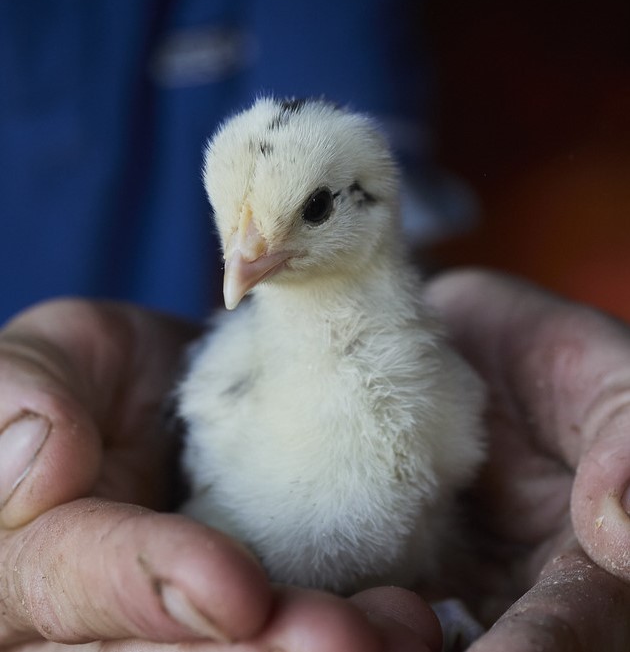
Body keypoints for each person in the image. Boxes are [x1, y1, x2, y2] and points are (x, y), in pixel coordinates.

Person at [2, 269, 630, 652]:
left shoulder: (438, 375)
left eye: (313, 208)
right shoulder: (229, 371)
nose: (244, 253)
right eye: (234, 224)